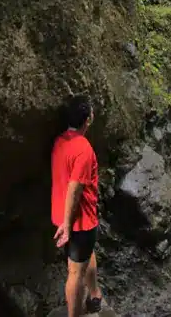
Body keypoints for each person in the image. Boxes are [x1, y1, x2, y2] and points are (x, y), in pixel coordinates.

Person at [51, 94, 103, 316]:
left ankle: (95, 294)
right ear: (88, 119)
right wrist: (68, 223)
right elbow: (74, 187)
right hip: (79, 222)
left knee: (85, 256)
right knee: (74, 273)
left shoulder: (60, 141)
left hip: (64, 216)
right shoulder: (83, 148)